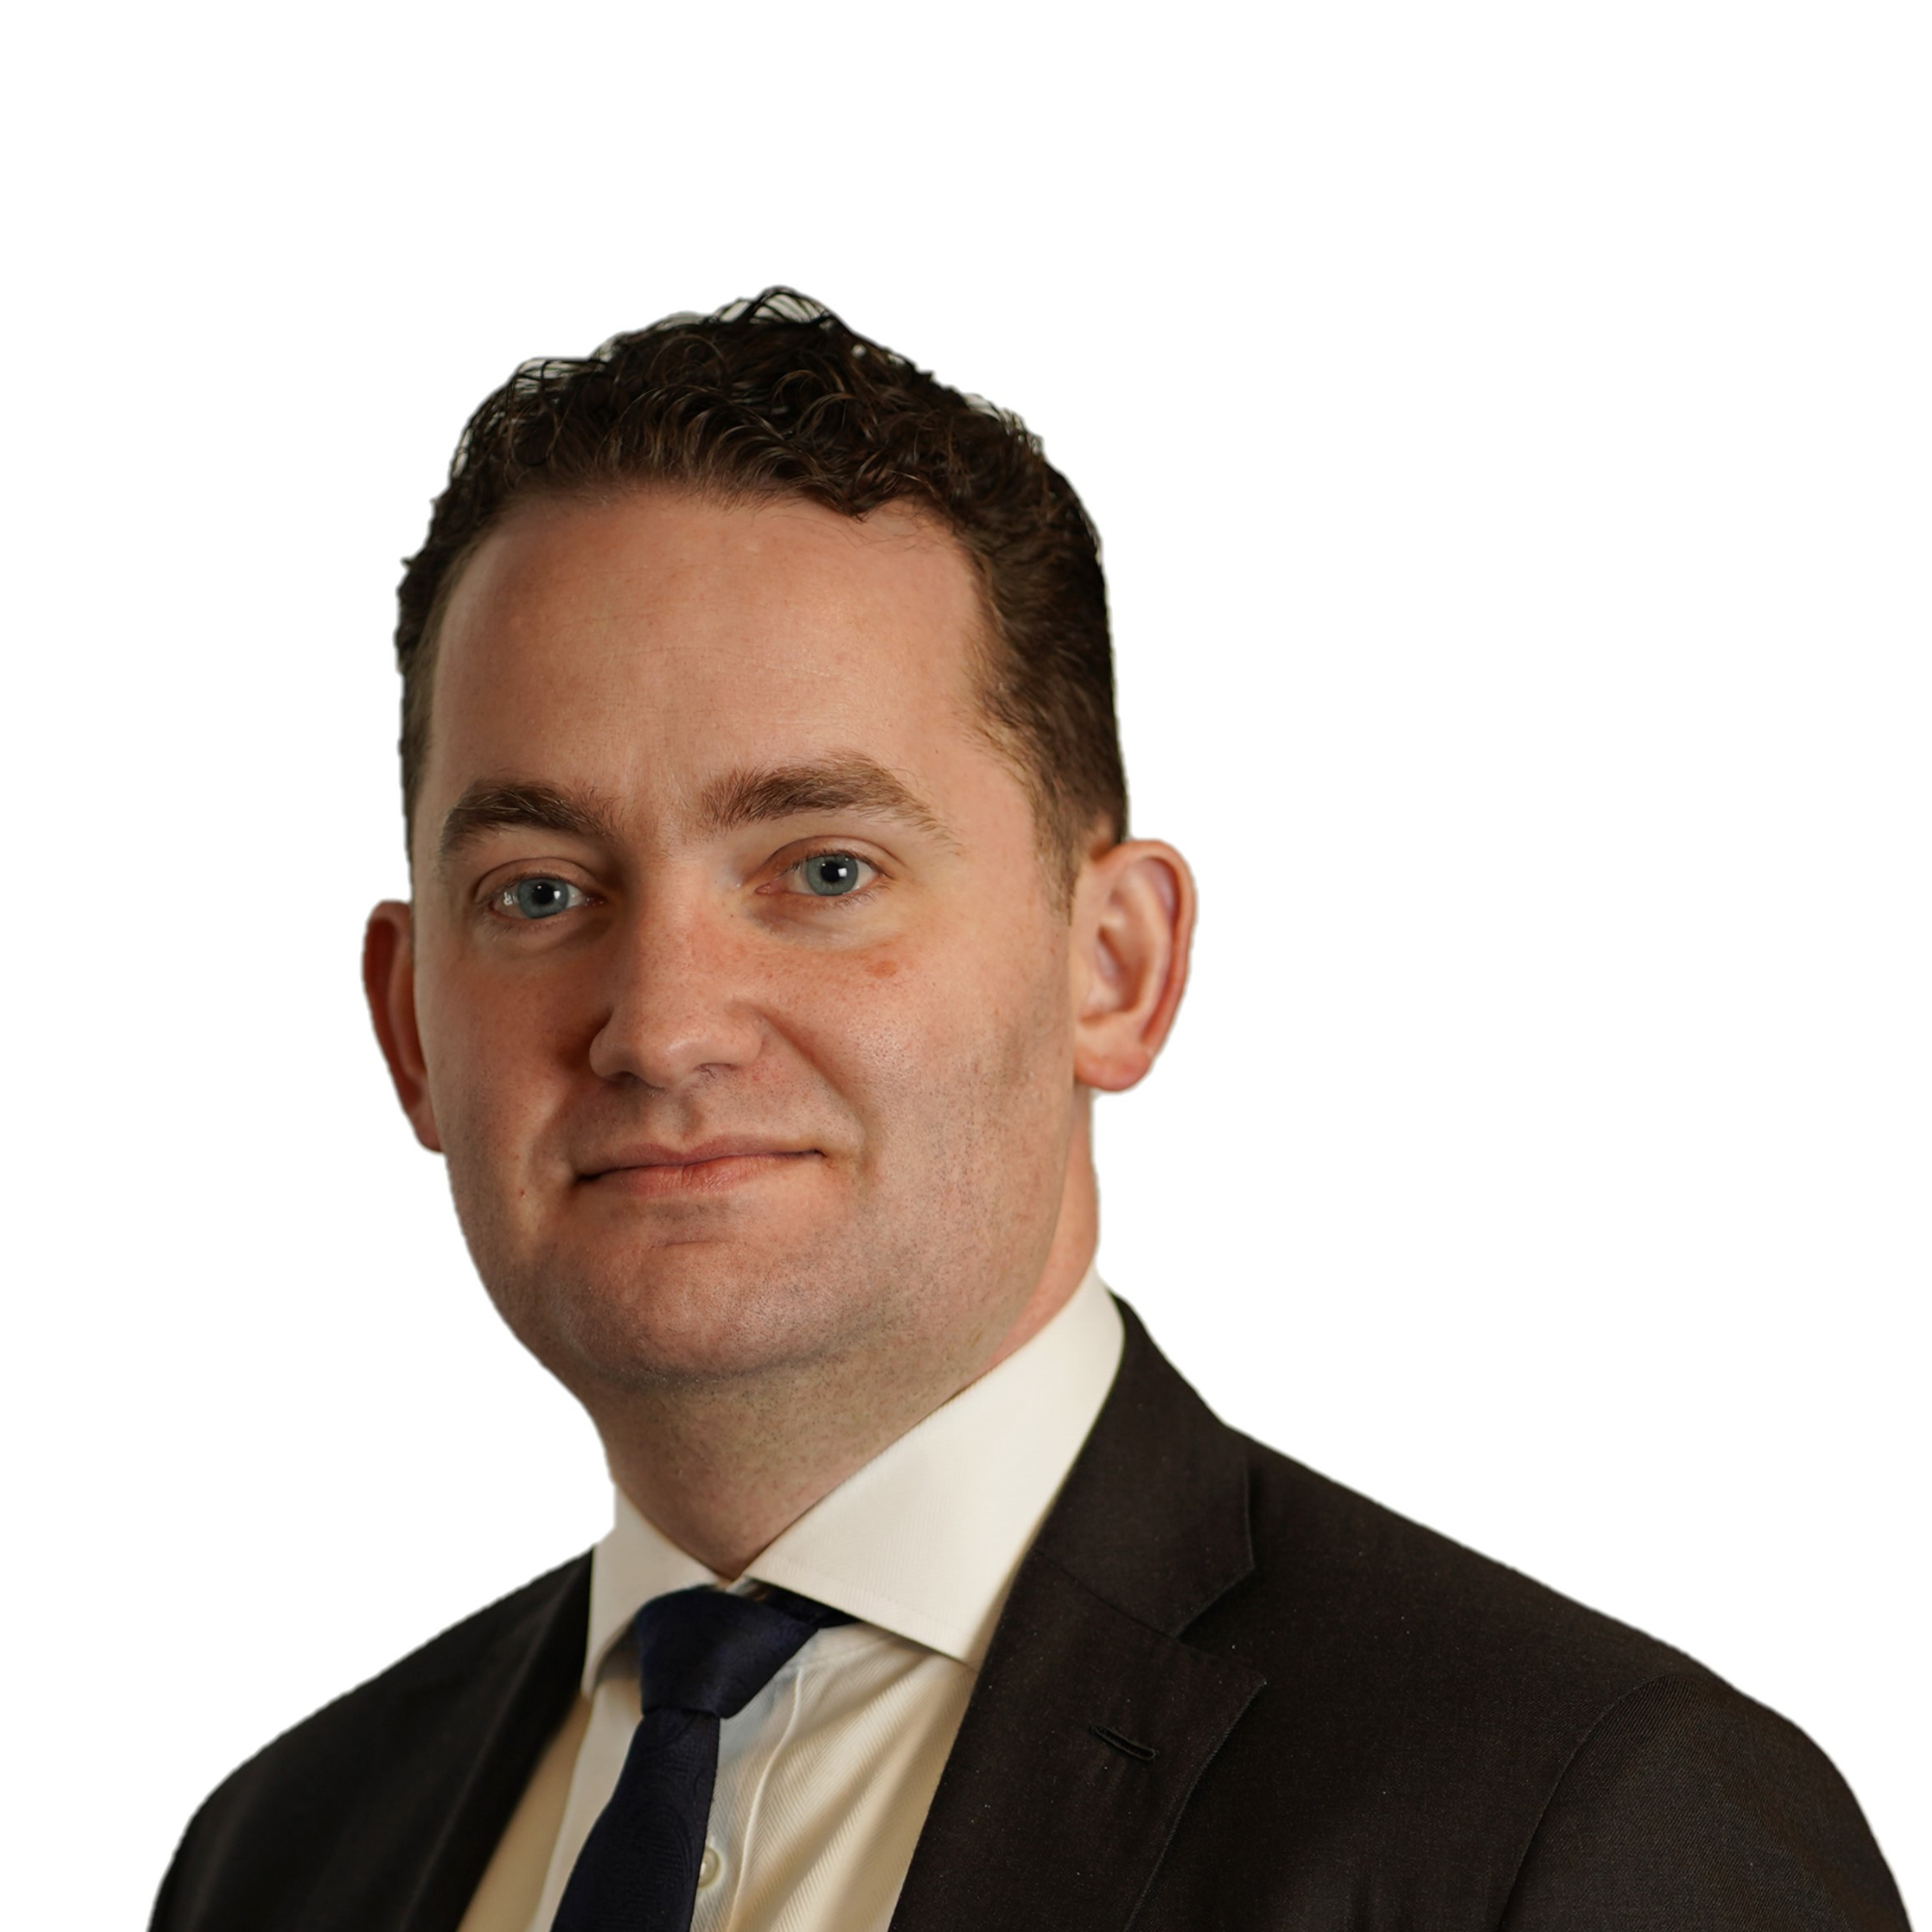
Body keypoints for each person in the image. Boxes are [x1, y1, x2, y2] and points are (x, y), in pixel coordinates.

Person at [149, 291, 1910, 1932]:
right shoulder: (276, 1861)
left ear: (1114, 966)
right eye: (539, 891)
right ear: (409, 1026)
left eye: (824, 869)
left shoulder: (1583, 1830)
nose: (663, 1027)